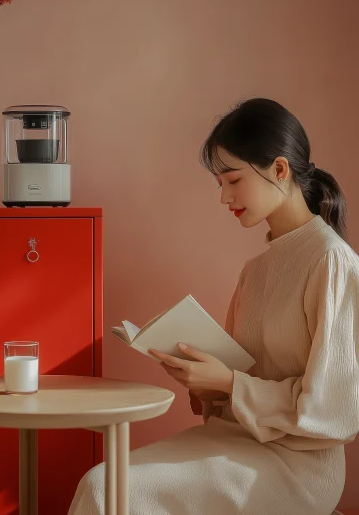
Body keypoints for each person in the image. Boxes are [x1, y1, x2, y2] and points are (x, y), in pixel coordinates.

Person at [68, 98, 359, 515]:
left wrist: (229, 383)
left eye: (233, 179)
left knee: (107, 492)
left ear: (280, 169)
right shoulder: (255, 270)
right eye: (219, 183)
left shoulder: (332, 262)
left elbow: (335, 412)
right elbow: (237, 386)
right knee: (100, 482)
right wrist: (205, 383)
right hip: (233, 440)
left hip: (296, 465)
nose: (224, 197)